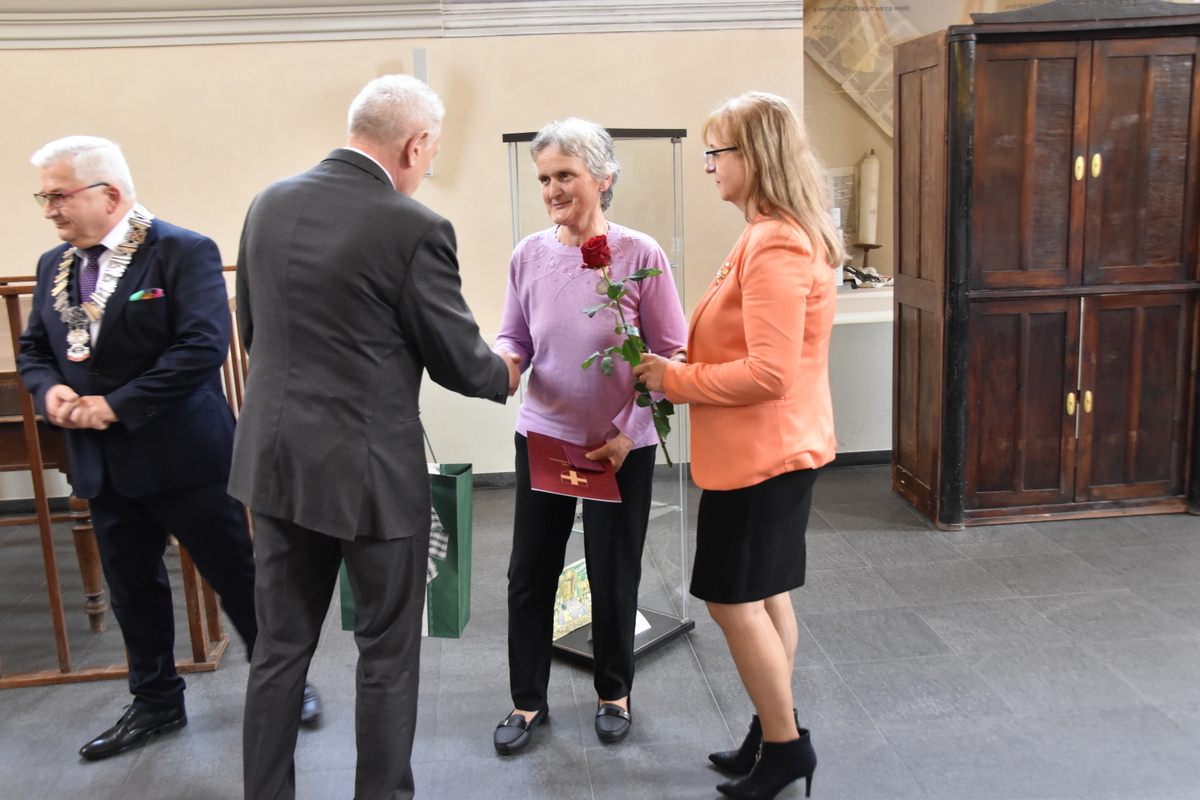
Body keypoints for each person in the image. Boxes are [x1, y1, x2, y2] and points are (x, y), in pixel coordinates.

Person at [231, 74, 519, 800]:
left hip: (273, 462)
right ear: (416, 144)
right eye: (433, 150)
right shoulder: (411, 226)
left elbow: (253, 333)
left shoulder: (268, 203)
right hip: (367, 475)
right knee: (386, 655)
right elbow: (460, 359)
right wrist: (508, 372)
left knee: (278, 651)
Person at [15, 135, 304, 762]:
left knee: (235, 571)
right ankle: (155, 702)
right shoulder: (52, 265)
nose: (49, 210)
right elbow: (35, 348)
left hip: (182, 454)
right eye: (45, 196)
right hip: (101, 461)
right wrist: (51, 392)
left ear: (110, 194)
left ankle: (284, 682)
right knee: (131, 588)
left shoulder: (181, 250)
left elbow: (201, 347)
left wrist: (117, 403)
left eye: (58, 195)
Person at [633, 92, 844, 800]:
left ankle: (786, 749)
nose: (708, 167)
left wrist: (676, 379)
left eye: (715, 153)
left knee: (731, 601)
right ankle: (772, 725)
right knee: (765, 593)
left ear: (754, 158)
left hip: (764, 456)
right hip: (771, 451)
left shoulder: (778, 240)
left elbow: (770, 372)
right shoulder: (767, 231)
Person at [491, 118, 688, 754]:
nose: (552, 189)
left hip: (619, 443)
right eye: (544, 177)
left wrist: (631, 432)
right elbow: (514, 337)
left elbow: (671, 352)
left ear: (603, 179)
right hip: (545, 436)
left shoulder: (640, 253)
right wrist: (502, 367)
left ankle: (613, 692)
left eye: (565, 175)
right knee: (530, 572)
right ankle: (526, 702)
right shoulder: (528, 254)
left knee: (612, 571)